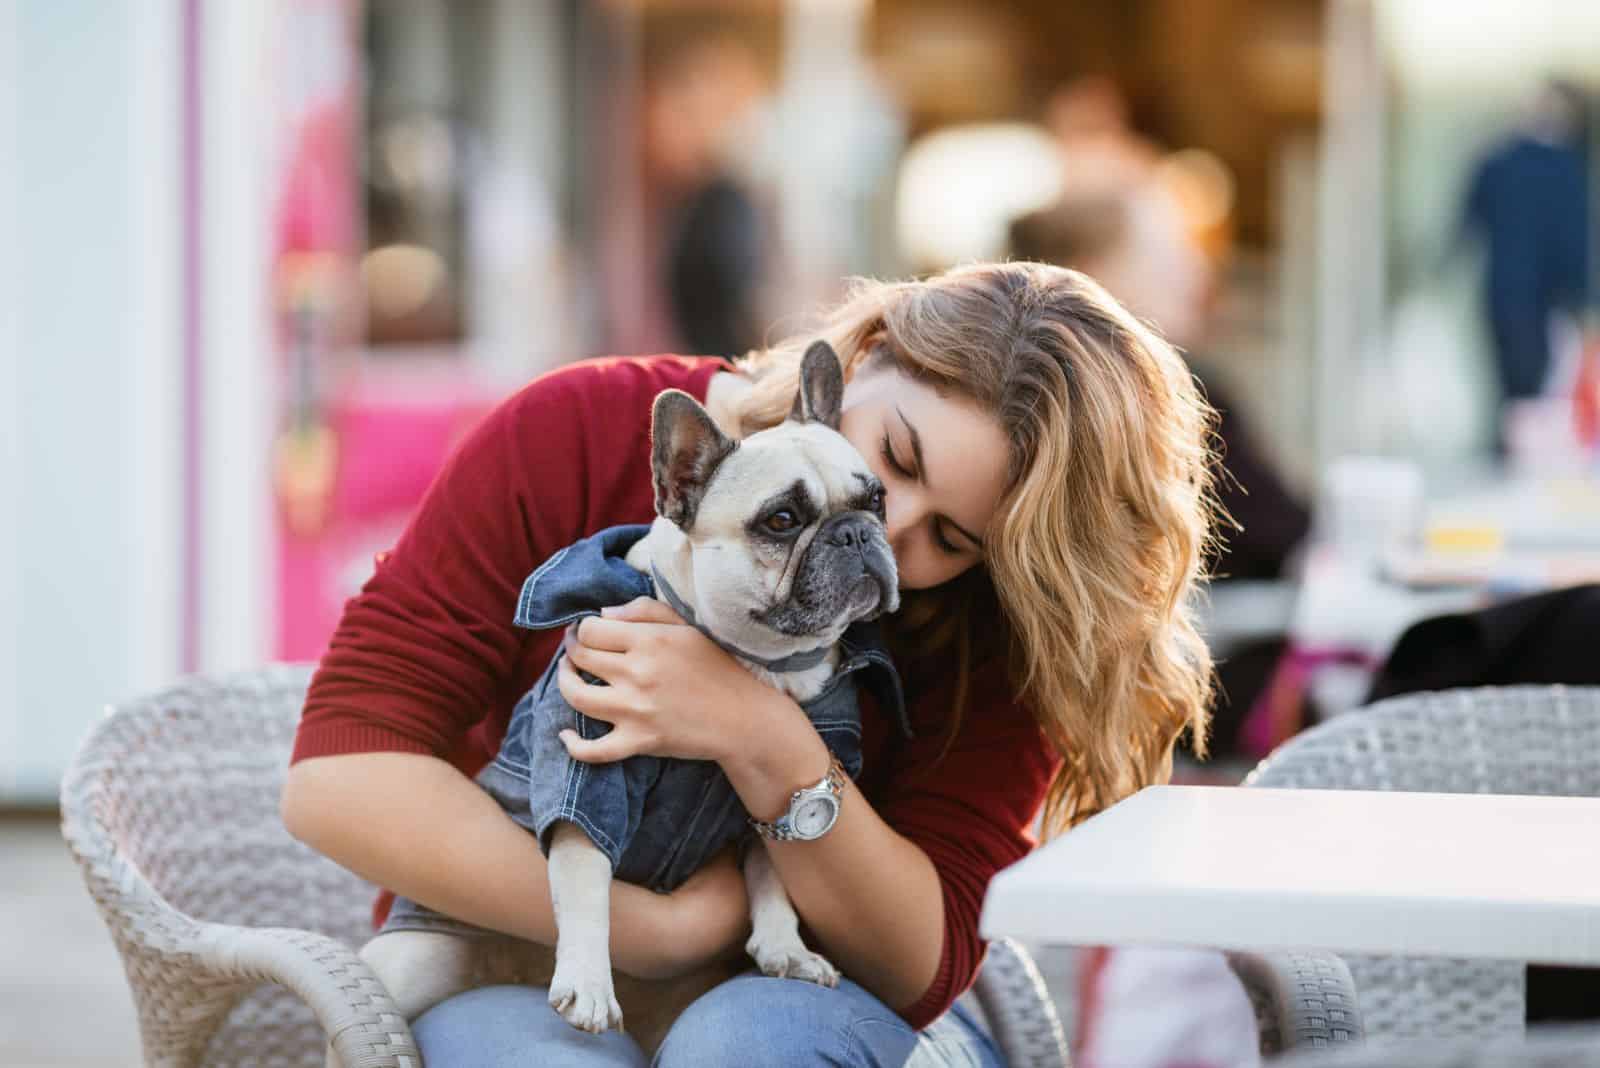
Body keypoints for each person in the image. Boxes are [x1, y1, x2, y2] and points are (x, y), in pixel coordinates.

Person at [280, 261, 1219, 1066]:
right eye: (892, 455)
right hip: (523, 956)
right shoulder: (577, 429)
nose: (886, 528)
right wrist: (654, 934)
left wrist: (761, 737)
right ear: (865, 354)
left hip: (826, 1004)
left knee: (744, 1045)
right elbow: (341, 778)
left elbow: (919, 966)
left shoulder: (1001, 615)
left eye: (952, 537)